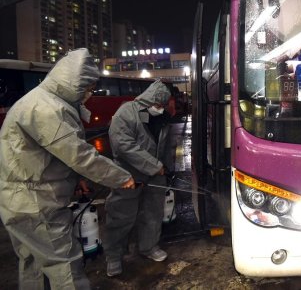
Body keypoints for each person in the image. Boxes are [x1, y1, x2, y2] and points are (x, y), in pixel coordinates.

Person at [0, 48, 135, 290]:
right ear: (75, 82)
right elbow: (80, 155)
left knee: (33, 263)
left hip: (19, 200)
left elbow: (52, 153)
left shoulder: (39, 100)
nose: (89, 94)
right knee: (66, 267)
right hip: (37, 204)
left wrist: (78, 181)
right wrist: (121, 177)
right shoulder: (47, 109)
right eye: (88, 87)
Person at [104, 79, 174, 277]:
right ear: (149, 101)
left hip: (157, 175)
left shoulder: (162, 117)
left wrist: (167, 168)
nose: (160, 109)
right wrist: (155, 166)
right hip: (128, 175)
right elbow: (123, 146)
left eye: (162, 105)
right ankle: (114, 256)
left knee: (153, 213)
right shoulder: (126, 113)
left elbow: (166, 145)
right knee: (121, 216)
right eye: (158, 105)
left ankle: (149, 247)